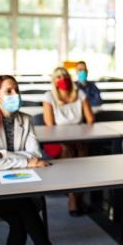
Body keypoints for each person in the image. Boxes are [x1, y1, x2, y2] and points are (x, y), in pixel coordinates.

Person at [0, 75, 85, 245]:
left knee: (20, 217)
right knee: (25, 206)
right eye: (9, 91)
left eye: (16, 90)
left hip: (17, 188)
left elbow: (36, 155)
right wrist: (21, 160)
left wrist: (0, 155)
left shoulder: (26, 119)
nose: (15, 94)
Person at [42, 67, 94, 216]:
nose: (62, 79)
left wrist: (80, 134)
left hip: (78, 136)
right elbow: (50, 125)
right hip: (55, 139)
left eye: (64, 76)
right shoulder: (49, 97)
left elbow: (90, 119)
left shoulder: (80, 94)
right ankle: (73, 198)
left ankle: (78, 195)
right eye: (58, 77)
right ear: (54, 81)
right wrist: (65, 140)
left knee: (83, 152)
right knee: (68, 152)